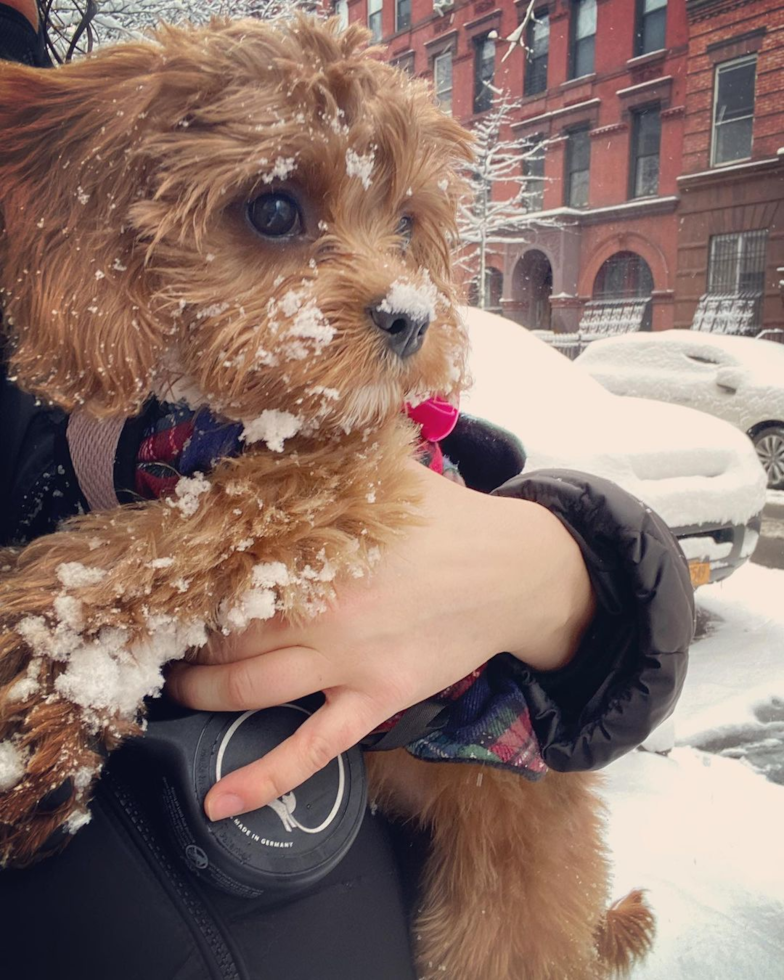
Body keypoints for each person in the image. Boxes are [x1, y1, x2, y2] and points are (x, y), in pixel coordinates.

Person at [0, 5, 694, 978]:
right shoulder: (126, 408)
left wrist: (564, 570)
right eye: (276, 213)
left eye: (403, 224)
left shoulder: (311, 426)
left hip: (493, 820)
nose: (397, 291)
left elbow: (322, 509)